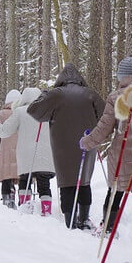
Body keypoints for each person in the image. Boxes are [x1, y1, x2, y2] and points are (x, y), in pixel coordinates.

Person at [79, 58, 132, 239]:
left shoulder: (116, 97)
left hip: (122, 155)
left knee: (115, 191)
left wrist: (87, 142)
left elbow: (104, 128)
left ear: (122, 76)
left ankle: (108, 227)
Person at [27, 64, 104, 229]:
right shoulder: (90, 94)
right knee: (84, 181)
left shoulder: (55, 95)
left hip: (62, 147)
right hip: (87, 143)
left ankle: (70, 221)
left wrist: (45, 94)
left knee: (67, 182)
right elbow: (105, 117)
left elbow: (34, 111)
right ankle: (84, 219)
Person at [0, 88, 55, 216]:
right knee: (44, 184)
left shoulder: (20, 112)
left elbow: (5, 131)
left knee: (24, 181)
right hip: (46, 156)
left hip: (26, 156)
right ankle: (46, 212)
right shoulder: (48, 112)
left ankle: (26, 209)